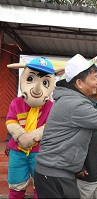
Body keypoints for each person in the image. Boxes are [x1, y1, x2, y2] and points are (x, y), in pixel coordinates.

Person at [33, 54, 97, 198]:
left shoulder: (72, 99)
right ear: (79, 83)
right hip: (54, 175)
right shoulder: (75, 104)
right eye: (94, 78)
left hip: (59, 171)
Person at [5, 57, 60, 199]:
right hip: (18, 152)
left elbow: (51, 126)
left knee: (41, 188)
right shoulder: (16, 102)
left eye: (45, 82)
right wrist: (21, 136)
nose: (37, 88)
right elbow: (10, 121)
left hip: (40, 152)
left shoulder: (51, 107)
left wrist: (33, 136)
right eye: (31, 79)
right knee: (16, 187)